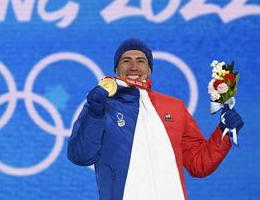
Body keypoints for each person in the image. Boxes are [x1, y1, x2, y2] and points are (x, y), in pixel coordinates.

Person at [67, 38, 244, 200]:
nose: (133, 67)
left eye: (141, 61)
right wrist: (95, 114)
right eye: (126, 61)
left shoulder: (175, 107)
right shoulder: (102, 104)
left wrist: (223, 132)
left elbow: (199, 164)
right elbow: (81, 156)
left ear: (150, 69)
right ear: (116, 69)